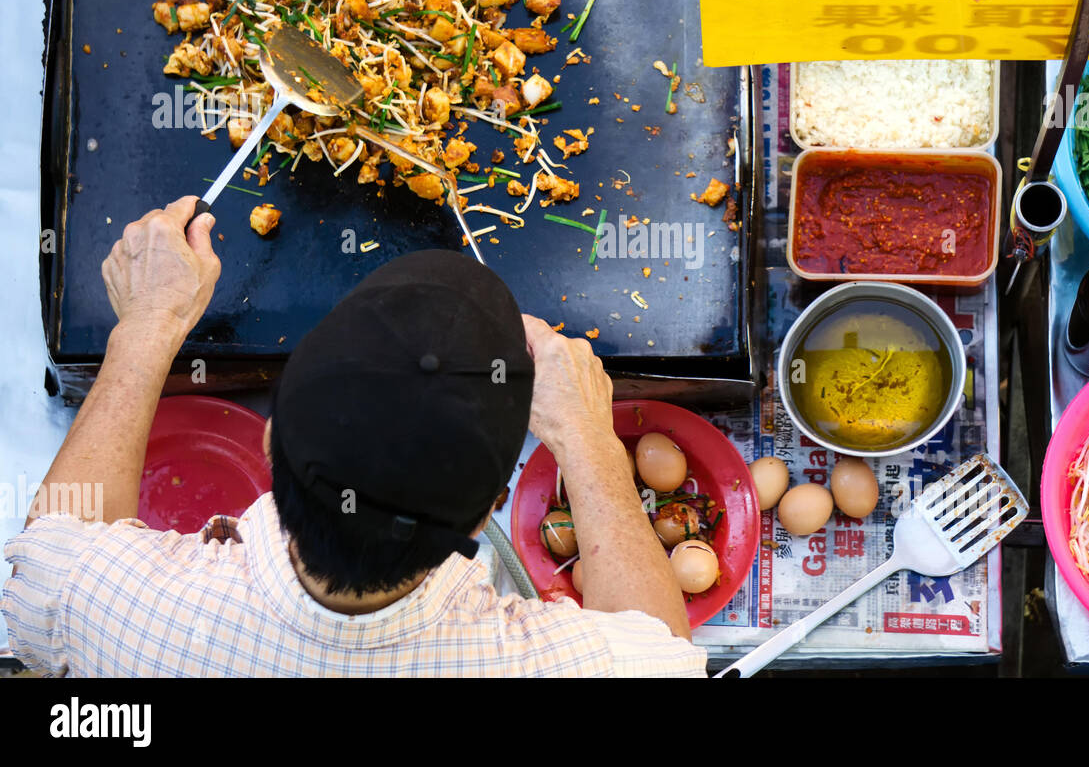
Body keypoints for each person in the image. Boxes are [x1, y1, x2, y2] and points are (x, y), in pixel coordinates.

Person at [2, 196, 705, 677]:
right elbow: (667, 658)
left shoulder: (124, 616)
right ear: (495, 504)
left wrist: (148, 323)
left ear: (272, 441)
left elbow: (47, 560)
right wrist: (586, 440)